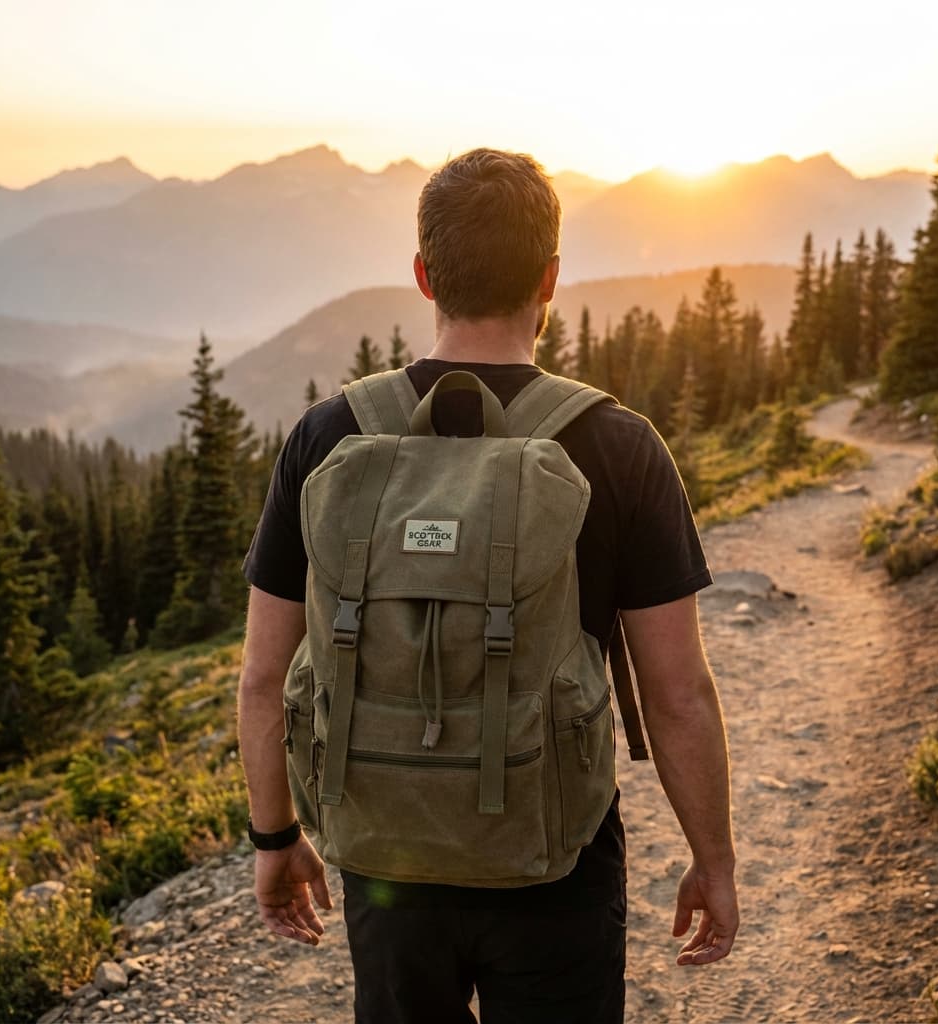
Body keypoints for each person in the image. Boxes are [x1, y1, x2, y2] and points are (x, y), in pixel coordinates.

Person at [238, 148, 738, 1023]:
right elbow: (678, 692)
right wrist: (714, 859)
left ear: (425, 275)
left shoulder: (327, 437)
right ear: (549, 277)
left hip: (387, 857)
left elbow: (263, 679)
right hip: (554, 858)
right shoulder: (618, 447)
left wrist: (276, 838)